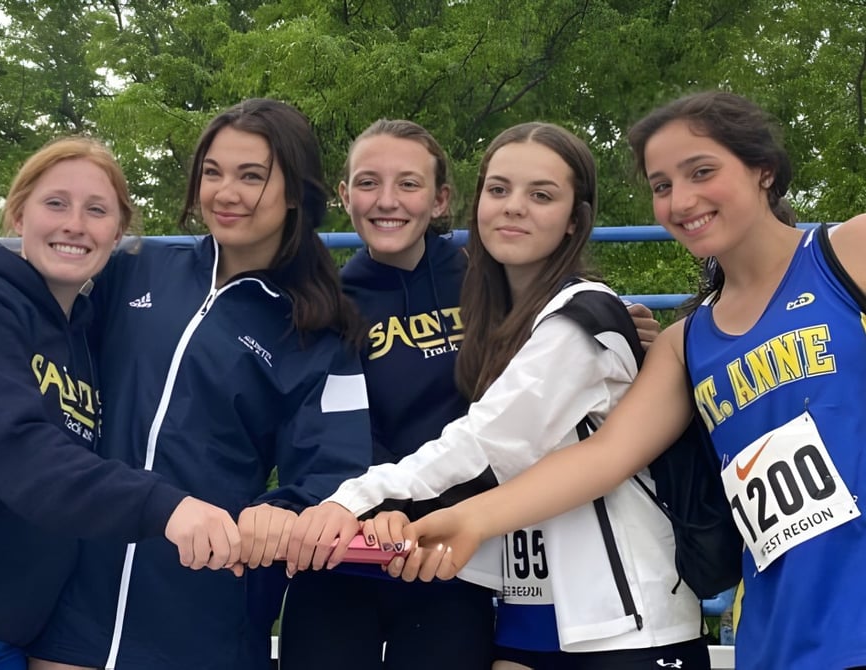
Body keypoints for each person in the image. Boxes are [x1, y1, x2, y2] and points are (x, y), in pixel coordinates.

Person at [399, 92, 866, 670]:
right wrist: (472, 518)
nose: (681, 199)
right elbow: (603, 455)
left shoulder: (849, 254)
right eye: (662, 184)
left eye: (701, 172)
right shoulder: (683, 343)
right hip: (780, 632)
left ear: (763, 170)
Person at [286, 122, 707, 669]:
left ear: (575, 219)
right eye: (499, 189)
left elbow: (492, 437)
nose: (513, 207)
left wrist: (354, 498)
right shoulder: (497, 314)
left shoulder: (582, 314)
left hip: (622, 613)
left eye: (541, 195)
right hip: (523, 601)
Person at [28, 99, 373, 670]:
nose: (225, 192)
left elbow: (336, 472)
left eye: (251, 176)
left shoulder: (320, 332)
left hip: (205, 612)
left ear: (294, 193)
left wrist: (283, 508)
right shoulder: (134, 270)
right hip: (74, 602)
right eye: (212, 173)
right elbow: (37, 320)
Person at [0, 136, 229, 669]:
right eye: (56, 203)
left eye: (97, 210)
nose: (75, 224)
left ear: (118, 232)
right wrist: (166, 506)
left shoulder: (85, 338)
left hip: (9, 637)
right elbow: (18, 449)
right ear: (18, 215)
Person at [277, 119, 496, 670]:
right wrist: (376, 511)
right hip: (347, 546)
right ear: (346, 196)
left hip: (448, 553)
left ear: (441, 199)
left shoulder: (489, 285)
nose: (387, 201)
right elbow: (327, 428)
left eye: (409, 184)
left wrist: (627, 323)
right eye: (369, 183)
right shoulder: (325, 301)